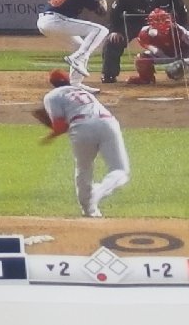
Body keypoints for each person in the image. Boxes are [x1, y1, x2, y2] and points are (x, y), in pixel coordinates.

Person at [38, 68, 130, 218]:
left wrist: (48, 137)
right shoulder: (84, 92)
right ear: (68, 80)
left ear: (52, 83)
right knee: (120, 170)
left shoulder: (52, 96)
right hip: (108, 123)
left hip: (81, 128)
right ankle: (98, 193)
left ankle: (89, 208)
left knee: (84, 169)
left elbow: (60, 126)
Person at [100, 0, 189, 83]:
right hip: (134, 24)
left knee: (188, 42)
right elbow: (114, 13)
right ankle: (109, 74)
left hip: (162, 25)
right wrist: (115, 31)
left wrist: (180, 30)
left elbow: (182, 11)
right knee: (112, 41)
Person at [36, 0, 109, 83]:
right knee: (101, 30)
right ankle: (77, 57)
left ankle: (75, 83)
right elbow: (102, 12)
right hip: (55, 21)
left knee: (81, 46)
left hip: (46, 21)